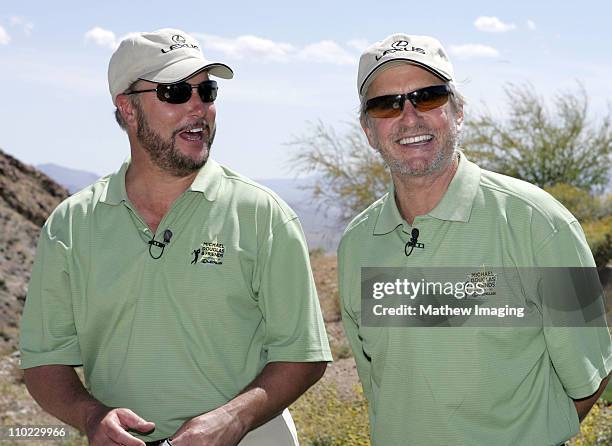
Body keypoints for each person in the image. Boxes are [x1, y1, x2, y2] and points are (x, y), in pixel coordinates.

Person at [20, 28, 332, 446]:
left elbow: (304, 355)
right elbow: (44, 362)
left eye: (207, 91)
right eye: (175, 92)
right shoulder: (70, 227)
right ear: (127, 109)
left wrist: (232, 420)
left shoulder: (264, 215)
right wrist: (92, 417)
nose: (198, 107)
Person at [338, 33, 611, 445]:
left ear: (458, 112)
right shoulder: (356, 244)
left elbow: (590, 377)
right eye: (386, 104)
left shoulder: (541, 223)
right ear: (368, 130)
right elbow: (380, 383)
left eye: (428, 96)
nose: (409, 117)